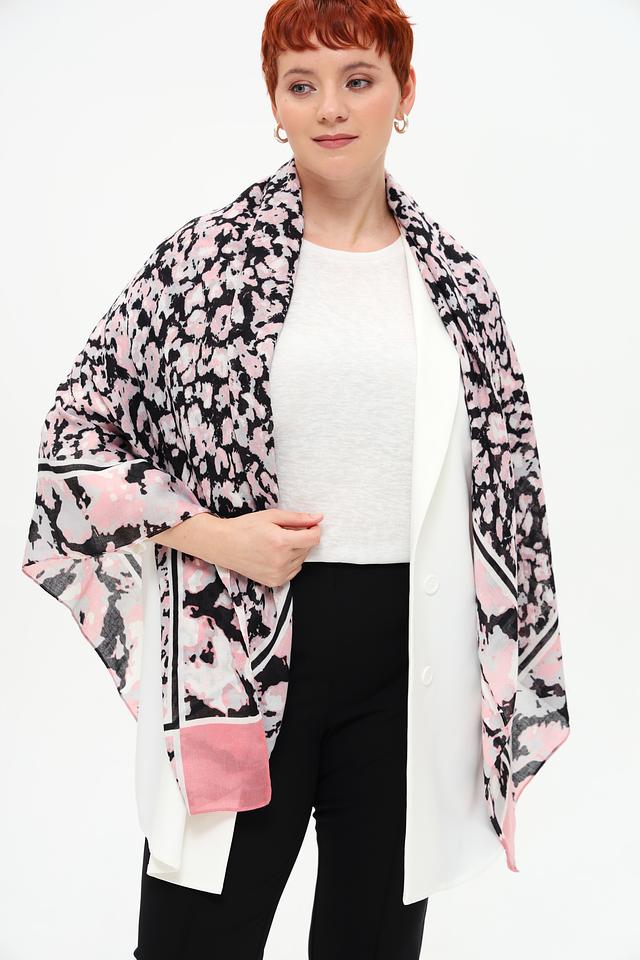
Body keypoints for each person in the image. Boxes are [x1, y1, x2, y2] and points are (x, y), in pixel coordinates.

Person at [20, 1, 570, 957]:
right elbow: (74, 439)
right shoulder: (202, 263)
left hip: (407, 666)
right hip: (238, 650)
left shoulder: (456, 286)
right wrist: (213, 533)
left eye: (358, 79)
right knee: (194, 941)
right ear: (274, 103)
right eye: (301, 85)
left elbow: (509, 498)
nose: (331, 109)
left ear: (404, 91)